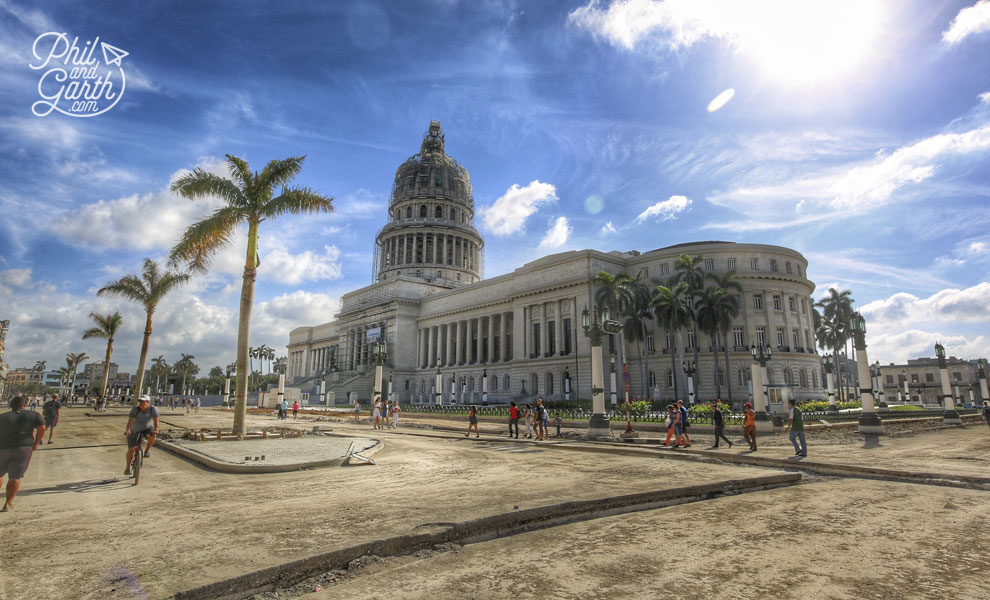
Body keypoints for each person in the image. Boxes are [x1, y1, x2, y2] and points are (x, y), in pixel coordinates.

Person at [0, 396, 46, 512]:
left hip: (3, 448)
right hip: (23, 448)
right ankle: (8, 504)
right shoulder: (34, 415)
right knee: (15, 476)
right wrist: (36, 443)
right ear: (24, 405)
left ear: (11, 406)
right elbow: (42, 429)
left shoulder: (3, 417)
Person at [124, 395, 159, 476]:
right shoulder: (135, 409)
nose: (140, 403)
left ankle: (147, 450)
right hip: (134, 430)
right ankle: (128, 467)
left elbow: (156, 422)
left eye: (143, 401)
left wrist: (156, 430)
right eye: (139, 401)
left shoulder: (153, 409)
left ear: (148, 402)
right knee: (131, 450)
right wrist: (128, 430)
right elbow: (130, 421)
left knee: (153, 436)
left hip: (147, 428)